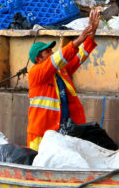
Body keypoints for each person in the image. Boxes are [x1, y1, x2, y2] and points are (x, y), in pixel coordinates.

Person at [26, 8, 101, 150]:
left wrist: (92, 34)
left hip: (59, 132)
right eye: (47, 52)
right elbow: (58, 59)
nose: (51, 53)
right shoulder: (36, 72)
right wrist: (79, 39)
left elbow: (80, 56)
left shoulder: (60, 72)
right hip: (41, 136)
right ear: (38, 59)